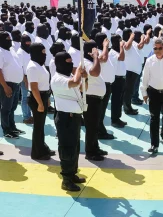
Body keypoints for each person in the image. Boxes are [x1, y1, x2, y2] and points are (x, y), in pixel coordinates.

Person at [51, 52, 87, 192]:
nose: (70, 64)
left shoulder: (69, 76)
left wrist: (85, 79)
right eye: (67, 62)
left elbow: (82, 88)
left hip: (74, 117)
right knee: (67, 148)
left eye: (71, 62)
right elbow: (75, 83)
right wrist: (79, 71)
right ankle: (66, 180)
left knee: (75, 147)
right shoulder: (57, 79)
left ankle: (72, 174)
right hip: (66, 118)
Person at [27, 43, 54, 160]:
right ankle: (37, 153)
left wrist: (46, 99)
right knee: (38, 127)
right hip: (36, 98)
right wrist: (40, 103)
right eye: (43, 52)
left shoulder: (40, 65)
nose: (45, 54)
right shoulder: (32, 67)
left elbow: (44, 85)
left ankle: (42, 147)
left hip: (43, 96)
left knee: (41, 126)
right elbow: (34, 88)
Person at [82, 40, 108, 161]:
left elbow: (103, 59)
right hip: (90, 99)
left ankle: (95, 147)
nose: (97, 51)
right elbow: (95, 72)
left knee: (95, 126)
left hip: (95, 99)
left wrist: (105, 47)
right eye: (95, 49)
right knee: (91, 127)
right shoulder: (86, 63)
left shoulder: (91, 61)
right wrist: (96, 56)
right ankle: (90, 152)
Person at [0, 31, 24, 138]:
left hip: (16, 84)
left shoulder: (11, 49)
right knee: (6, 108)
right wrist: (5, 86)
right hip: (7, 85)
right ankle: (6, 130)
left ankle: (12, 127)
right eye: (7, 39)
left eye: (10, 38)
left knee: (13, 107)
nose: (9, 40)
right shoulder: (0, 51)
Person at [94, 33, 115, 140]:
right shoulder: (98, 52)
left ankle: (100, 129)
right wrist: (105, 46)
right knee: (100, 111)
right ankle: (100, 131)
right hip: (102, 85)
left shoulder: (103, 51)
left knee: (102, 110)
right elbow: (104, 58)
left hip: (107, 85)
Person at [110, 34, 127, 128]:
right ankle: (114, 119)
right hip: (116, 80)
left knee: (120, 100)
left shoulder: (117, 51)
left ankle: (118, 117)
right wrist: (121, 47)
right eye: (120, 41)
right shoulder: (112, 52)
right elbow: (121, 58)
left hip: (121, 79)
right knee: (116, 100)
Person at [17, 35, 33, 124]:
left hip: (31, 76)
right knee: (25, 98)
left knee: (29, 97)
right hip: (25, 78)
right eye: (26, 42)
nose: (28, 43)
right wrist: (25, 80)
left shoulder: (28, 51)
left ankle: (29, 115)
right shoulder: (20, 53)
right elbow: (20, 68)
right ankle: (26, 117)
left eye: (29, 41)